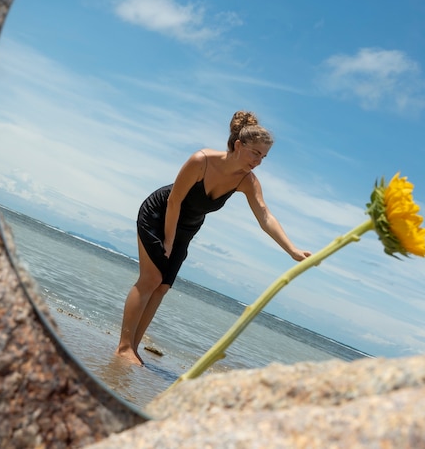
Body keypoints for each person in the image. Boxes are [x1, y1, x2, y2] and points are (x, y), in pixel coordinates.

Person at [115, 110, 312, 365]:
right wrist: (168, 240)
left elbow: (265, 216)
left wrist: (292, 250)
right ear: (239, 145)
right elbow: (174, 200)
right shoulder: (202, 160)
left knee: (162, 287)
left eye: (264, 157)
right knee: (151, 278)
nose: (259, 161)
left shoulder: (246, 181)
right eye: (255, 153)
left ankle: (134, 348)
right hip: (160, 214)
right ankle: (123, 348)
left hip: (188, 227)